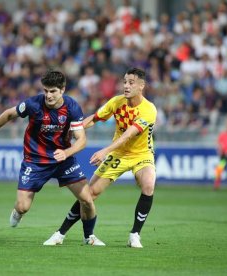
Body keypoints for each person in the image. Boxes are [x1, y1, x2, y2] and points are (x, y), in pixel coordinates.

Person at [0, 70, 104, 246]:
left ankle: (88, 237)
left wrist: (66, 153)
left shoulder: (72, 107)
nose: (48, 95)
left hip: (63, 160)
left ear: (62, 90)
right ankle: (18, 212)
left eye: (52, 91)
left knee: (87, 200)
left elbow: (81, 140)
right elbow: (8, 114)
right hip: (35, 161)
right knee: (23, 207)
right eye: (45, 90)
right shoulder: (33, 104)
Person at [44, 68, 157, 248]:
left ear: (141, 86)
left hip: (141, 154)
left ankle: (135, 234)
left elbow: (128, 135)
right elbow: (94, 119)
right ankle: (60, 234)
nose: (126, 86)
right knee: (89, 194)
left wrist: (105, 151)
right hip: (119, 154)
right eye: (125, 81)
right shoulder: (116, 102)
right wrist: (72, 130)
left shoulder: (149, 109)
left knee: (149, 184)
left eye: (131, 82)